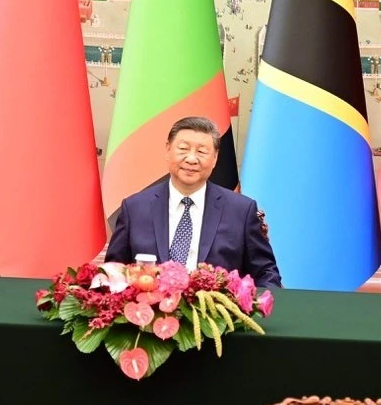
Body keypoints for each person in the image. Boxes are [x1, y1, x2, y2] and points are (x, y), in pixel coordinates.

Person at [105, 116, 282, 288]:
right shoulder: (135, 208)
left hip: (216, 314)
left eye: (201, 152)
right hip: (150, 314)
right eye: (183, 149)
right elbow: (113, 271)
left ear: (215, 158)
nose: (191, 159)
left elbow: (265, 273)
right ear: (168, 150)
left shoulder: (241, 210)